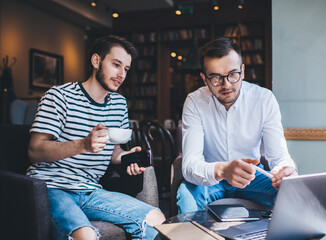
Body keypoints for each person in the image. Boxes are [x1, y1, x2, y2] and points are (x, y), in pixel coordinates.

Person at [27, 35, 165, 240]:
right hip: (52, 187)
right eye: (116, 65)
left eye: (126, 69)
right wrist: (83, 145)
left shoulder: (119, 104)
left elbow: (113, 151)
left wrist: (127, 157)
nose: (121, 74)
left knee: (156, 218)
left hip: (91, 190)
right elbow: (34, 151)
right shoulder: (59, 96)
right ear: (96, 61)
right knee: (86, 236)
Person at [177, 38, 297, 214]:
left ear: (242, 71)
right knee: (186, 197)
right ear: (204, 79)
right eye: (216, 77)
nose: (227, 85)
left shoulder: (264, 99)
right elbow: (189, 165)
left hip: (253, 175)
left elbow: (279, 156)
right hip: (211, 176)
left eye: (233, 74)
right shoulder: (194, 101)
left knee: (292, 191)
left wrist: (284, 170)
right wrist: (223, 170)